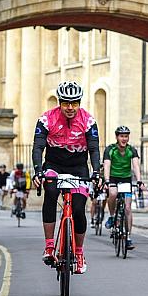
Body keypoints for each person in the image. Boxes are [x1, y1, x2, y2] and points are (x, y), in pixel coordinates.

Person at [31, 81, 101, 274]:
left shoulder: (88, 120)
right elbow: (38, 147)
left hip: (78, 168)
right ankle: (49, 246)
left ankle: (78, 253)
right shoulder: (46, 119)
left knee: (78, 210)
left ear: (79, 103)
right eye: (66, 103)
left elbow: (94, 149)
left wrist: (96, 172)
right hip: (54, 165)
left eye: (74, 103)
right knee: (51, 193)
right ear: (60, 102)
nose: (70, 107)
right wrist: (38, 171)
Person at [103, 125, 146, 251]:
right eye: (121, 136)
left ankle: (128, 237)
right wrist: (106, 181)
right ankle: (111, 216)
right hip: (113, 178)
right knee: (112, 194)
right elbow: (107, 165)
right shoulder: (110, 149)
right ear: (117, 137)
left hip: (126, 179)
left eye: (126, 136)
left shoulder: (131, 150)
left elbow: (136, 166)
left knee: (127, 208)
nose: (124, 139)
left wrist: (139, 181)